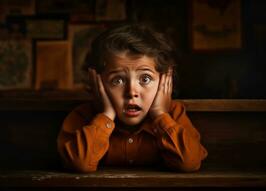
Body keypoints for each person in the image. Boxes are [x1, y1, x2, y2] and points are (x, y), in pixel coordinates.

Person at [57, 23, 208, 173]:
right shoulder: (83, 116)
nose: (131, 92)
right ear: (97, 83)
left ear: (164, 81)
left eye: (145, 79)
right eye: (118, 80)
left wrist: (159, 115)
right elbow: (79, 163)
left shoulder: (173, 114)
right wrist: (106, 115)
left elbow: (189, 162)